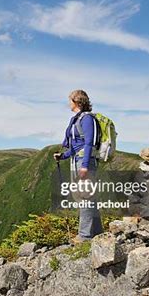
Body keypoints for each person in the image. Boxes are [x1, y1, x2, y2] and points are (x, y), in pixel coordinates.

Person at [53, 89, 103, 244]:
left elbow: (89, 143)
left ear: (77, 101)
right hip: (77, 160)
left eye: (70, 100)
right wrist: (63, 156)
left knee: (85, 197)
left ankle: (84, 236)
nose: (69, 103)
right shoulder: (77, 119)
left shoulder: (87, 119)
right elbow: (77, 146)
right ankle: (97, 233)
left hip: (83, 162)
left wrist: (85, 166)